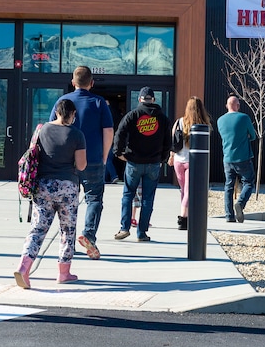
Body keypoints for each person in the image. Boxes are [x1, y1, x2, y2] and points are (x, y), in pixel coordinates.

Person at [14, 99, 86, 289]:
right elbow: (81, 165)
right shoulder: (77, 135)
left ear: (56, 113)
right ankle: (64, 273)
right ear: (71, 114)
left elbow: (33, 155)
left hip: (43, 187)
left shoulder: (42, 129)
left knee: (37, 229)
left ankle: (24, 268)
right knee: (67, 230)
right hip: (68, 188)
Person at [50, 66, 113, 260]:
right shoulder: (99, 102)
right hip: (92, 158)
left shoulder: (63, 102)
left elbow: (52, 128)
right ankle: (88, 235)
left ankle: (69, 242)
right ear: (91, 83)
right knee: (94, 198)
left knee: (69, 202)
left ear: (73, 81)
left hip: (67, 161)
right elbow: (108, 131)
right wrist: (104, 157)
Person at [113, 87, 172, 242]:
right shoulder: (163, 119)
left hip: (133, 162)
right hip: (153, 163)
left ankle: (124, 228)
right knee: (148, 198)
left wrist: (118, 153)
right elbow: (168, 141)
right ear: (153, 100)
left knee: (128, 195)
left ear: (140, 99)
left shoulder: (132, 115)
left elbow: (120, 133)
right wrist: (163, 158)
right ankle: (142, 233)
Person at [169, 96, 212, 229]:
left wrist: (171, 156)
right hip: (193, 161)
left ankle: (186, 216)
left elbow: (172, 140)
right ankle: (183, 218)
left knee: (184, 190)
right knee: (188, 191)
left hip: (178, 160)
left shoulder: (179, 122)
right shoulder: (204, 124)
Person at [217, 95, 256, 223]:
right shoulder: (244, 118)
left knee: (228, 186)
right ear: (238, 106)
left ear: (226, 105)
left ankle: (229, 215)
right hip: (243, 157)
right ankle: (240, 202)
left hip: (227, 157)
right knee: (249, 182)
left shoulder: (220, 120)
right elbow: (253, 136)